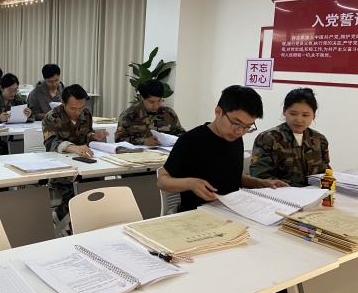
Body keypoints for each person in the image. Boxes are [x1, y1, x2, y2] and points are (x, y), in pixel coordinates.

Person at [157, 85, 287, 212]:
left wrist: (261, 183)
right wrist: (191, 183)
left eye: (247, 127)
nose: (240, 131)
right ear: (218, 112)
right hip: (196, 214)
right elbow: (162, 181)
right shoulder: (191, 140)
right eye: (236, 123)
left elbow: (233, 177)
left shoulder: (235, 138)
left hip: (229, 211)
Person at [42, 84, 109, 219]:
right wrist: (73, 147)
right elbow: (50, 142)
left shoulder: (86, 114)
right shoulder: (52, 117)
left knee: (99, 192)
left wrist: (93, 136)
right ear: (63, 102)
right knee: (74, 199)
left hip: (85, 165)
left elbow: (86, 134)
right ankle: (64, 219)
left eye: (81, 107)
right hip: (63, 171)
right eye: (73, 108)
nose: (78, 112)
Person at [250, 88, 330, 186]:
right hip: (279, 193)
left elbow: (325, 173)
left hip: (313, 193)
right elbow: (259, 177)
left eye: (305, 115)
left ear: (313, 115)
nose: (299, 120)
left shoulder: (319, 140)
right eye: (293, 114)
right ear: (284, 111)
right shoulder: (268, 139)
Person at [115, 79, 185, 145]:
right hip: (138, 152)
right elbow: (119, 139)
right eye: (151, 102)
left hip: (164, 151)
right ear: (142, 98)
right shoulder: (129, 115)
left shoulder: (169, 113)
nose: (156, 105)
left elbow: (182, 135)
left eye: (159, 100)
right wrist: (142, 141)